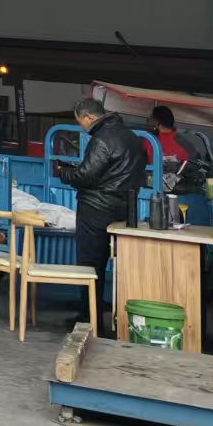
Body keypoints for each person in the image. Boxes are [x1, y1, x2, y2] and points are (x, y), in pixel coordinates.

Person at [54, 97, 147, 332]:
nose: (82, 127)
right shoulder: (132, 137)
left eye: (81, 122)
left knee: (90, 266)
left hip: (96, 210)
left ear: (88, 117)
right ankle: (117, 321)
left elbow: (86, 176)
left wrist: (63, 172)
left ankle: (89, 321)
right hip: (124, 210)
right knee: (116, 266)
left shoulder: (101, 139)